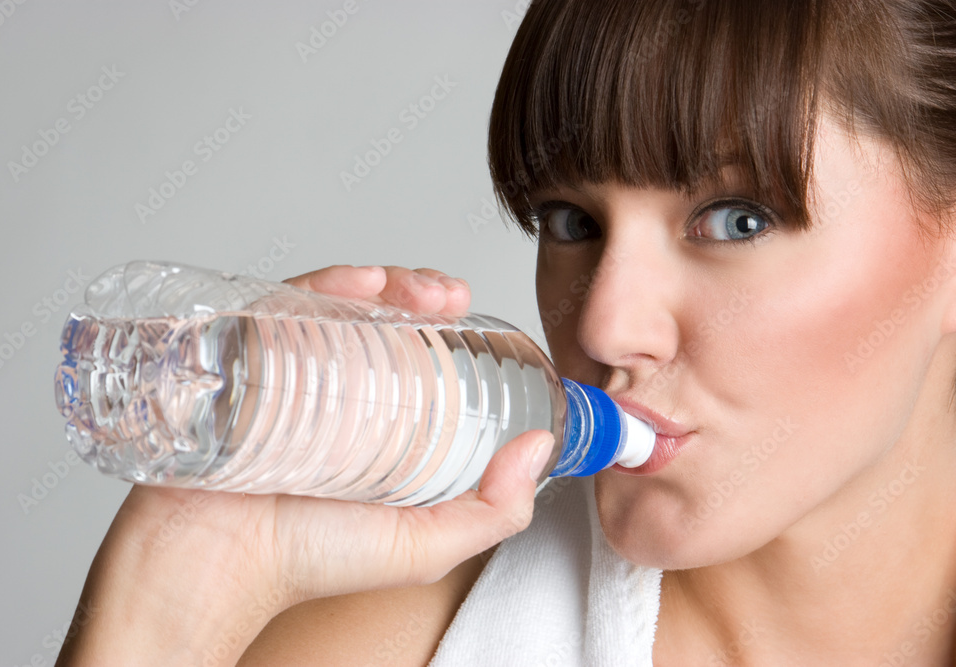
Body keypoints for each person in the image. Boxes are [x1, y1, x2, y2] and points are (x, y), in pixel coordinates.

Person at [56, 0, 956, 664]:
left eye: (736, 220)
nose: (602, 323)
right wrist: (174, 588)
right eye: (570, 221)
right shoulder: (388, 645)